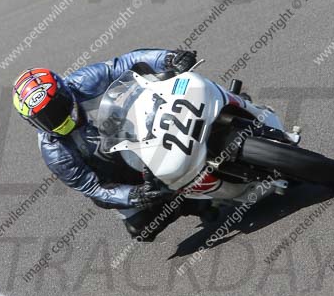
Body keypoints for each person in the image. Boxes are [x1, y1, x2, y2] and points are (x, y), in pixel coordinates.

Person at [12, 49, 210, 241]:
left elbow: (124, 64)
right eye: (44, 118)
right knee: (142, 227)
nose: (55, 119)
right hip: (120, 173)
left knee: (173, 86)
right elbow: (94, 188)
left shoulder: (83, 82)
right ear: (31, 122)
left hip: (142, 127)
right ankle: (187, 202)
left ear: (65, 91)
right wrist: (135, 195)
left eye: (57, 107)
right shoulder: (55, 153)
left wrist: (168, 58)